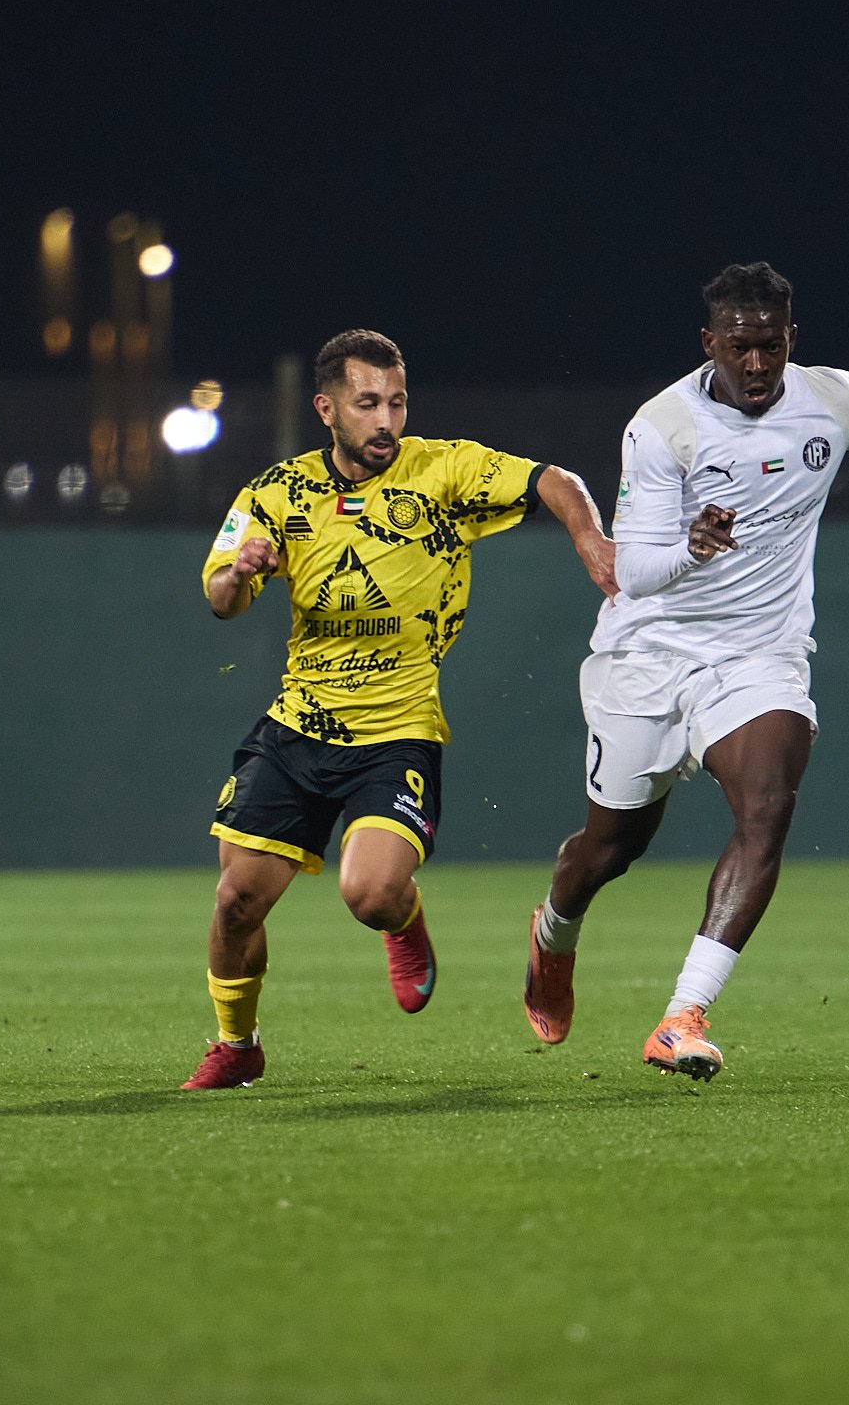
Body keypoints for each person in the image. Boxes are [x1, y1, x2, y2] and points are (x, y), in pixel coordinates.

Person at [523, 262, 849, 1081]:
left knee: (767, 808)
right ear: (709, 343)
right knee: (610, 848)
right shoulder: (663, 427)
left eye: (771, 346)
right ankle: (553, 934)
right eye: (739, 347)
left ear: (792, 339)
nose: (756, 364)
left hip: (759, 654)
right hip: (649, 652)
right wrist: (691, 548)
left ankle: (683, 1016)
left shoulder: (834, 398)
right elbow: (631, 572)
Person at [182, 327, 615, 1090]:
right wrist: (239, 573)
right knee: (236, 903)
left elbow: (555, 479)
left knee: (371, 894)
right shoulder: (276, 492)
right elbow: (221, 598)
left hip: (396, 733)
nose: (386, 420)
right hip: (296, 729)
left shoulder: (442, 472)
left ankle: (403, 921)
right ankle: (237, 1045)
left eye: (397, 402)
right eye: (367, 404)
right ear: (326, 409)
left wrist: (591, 539)